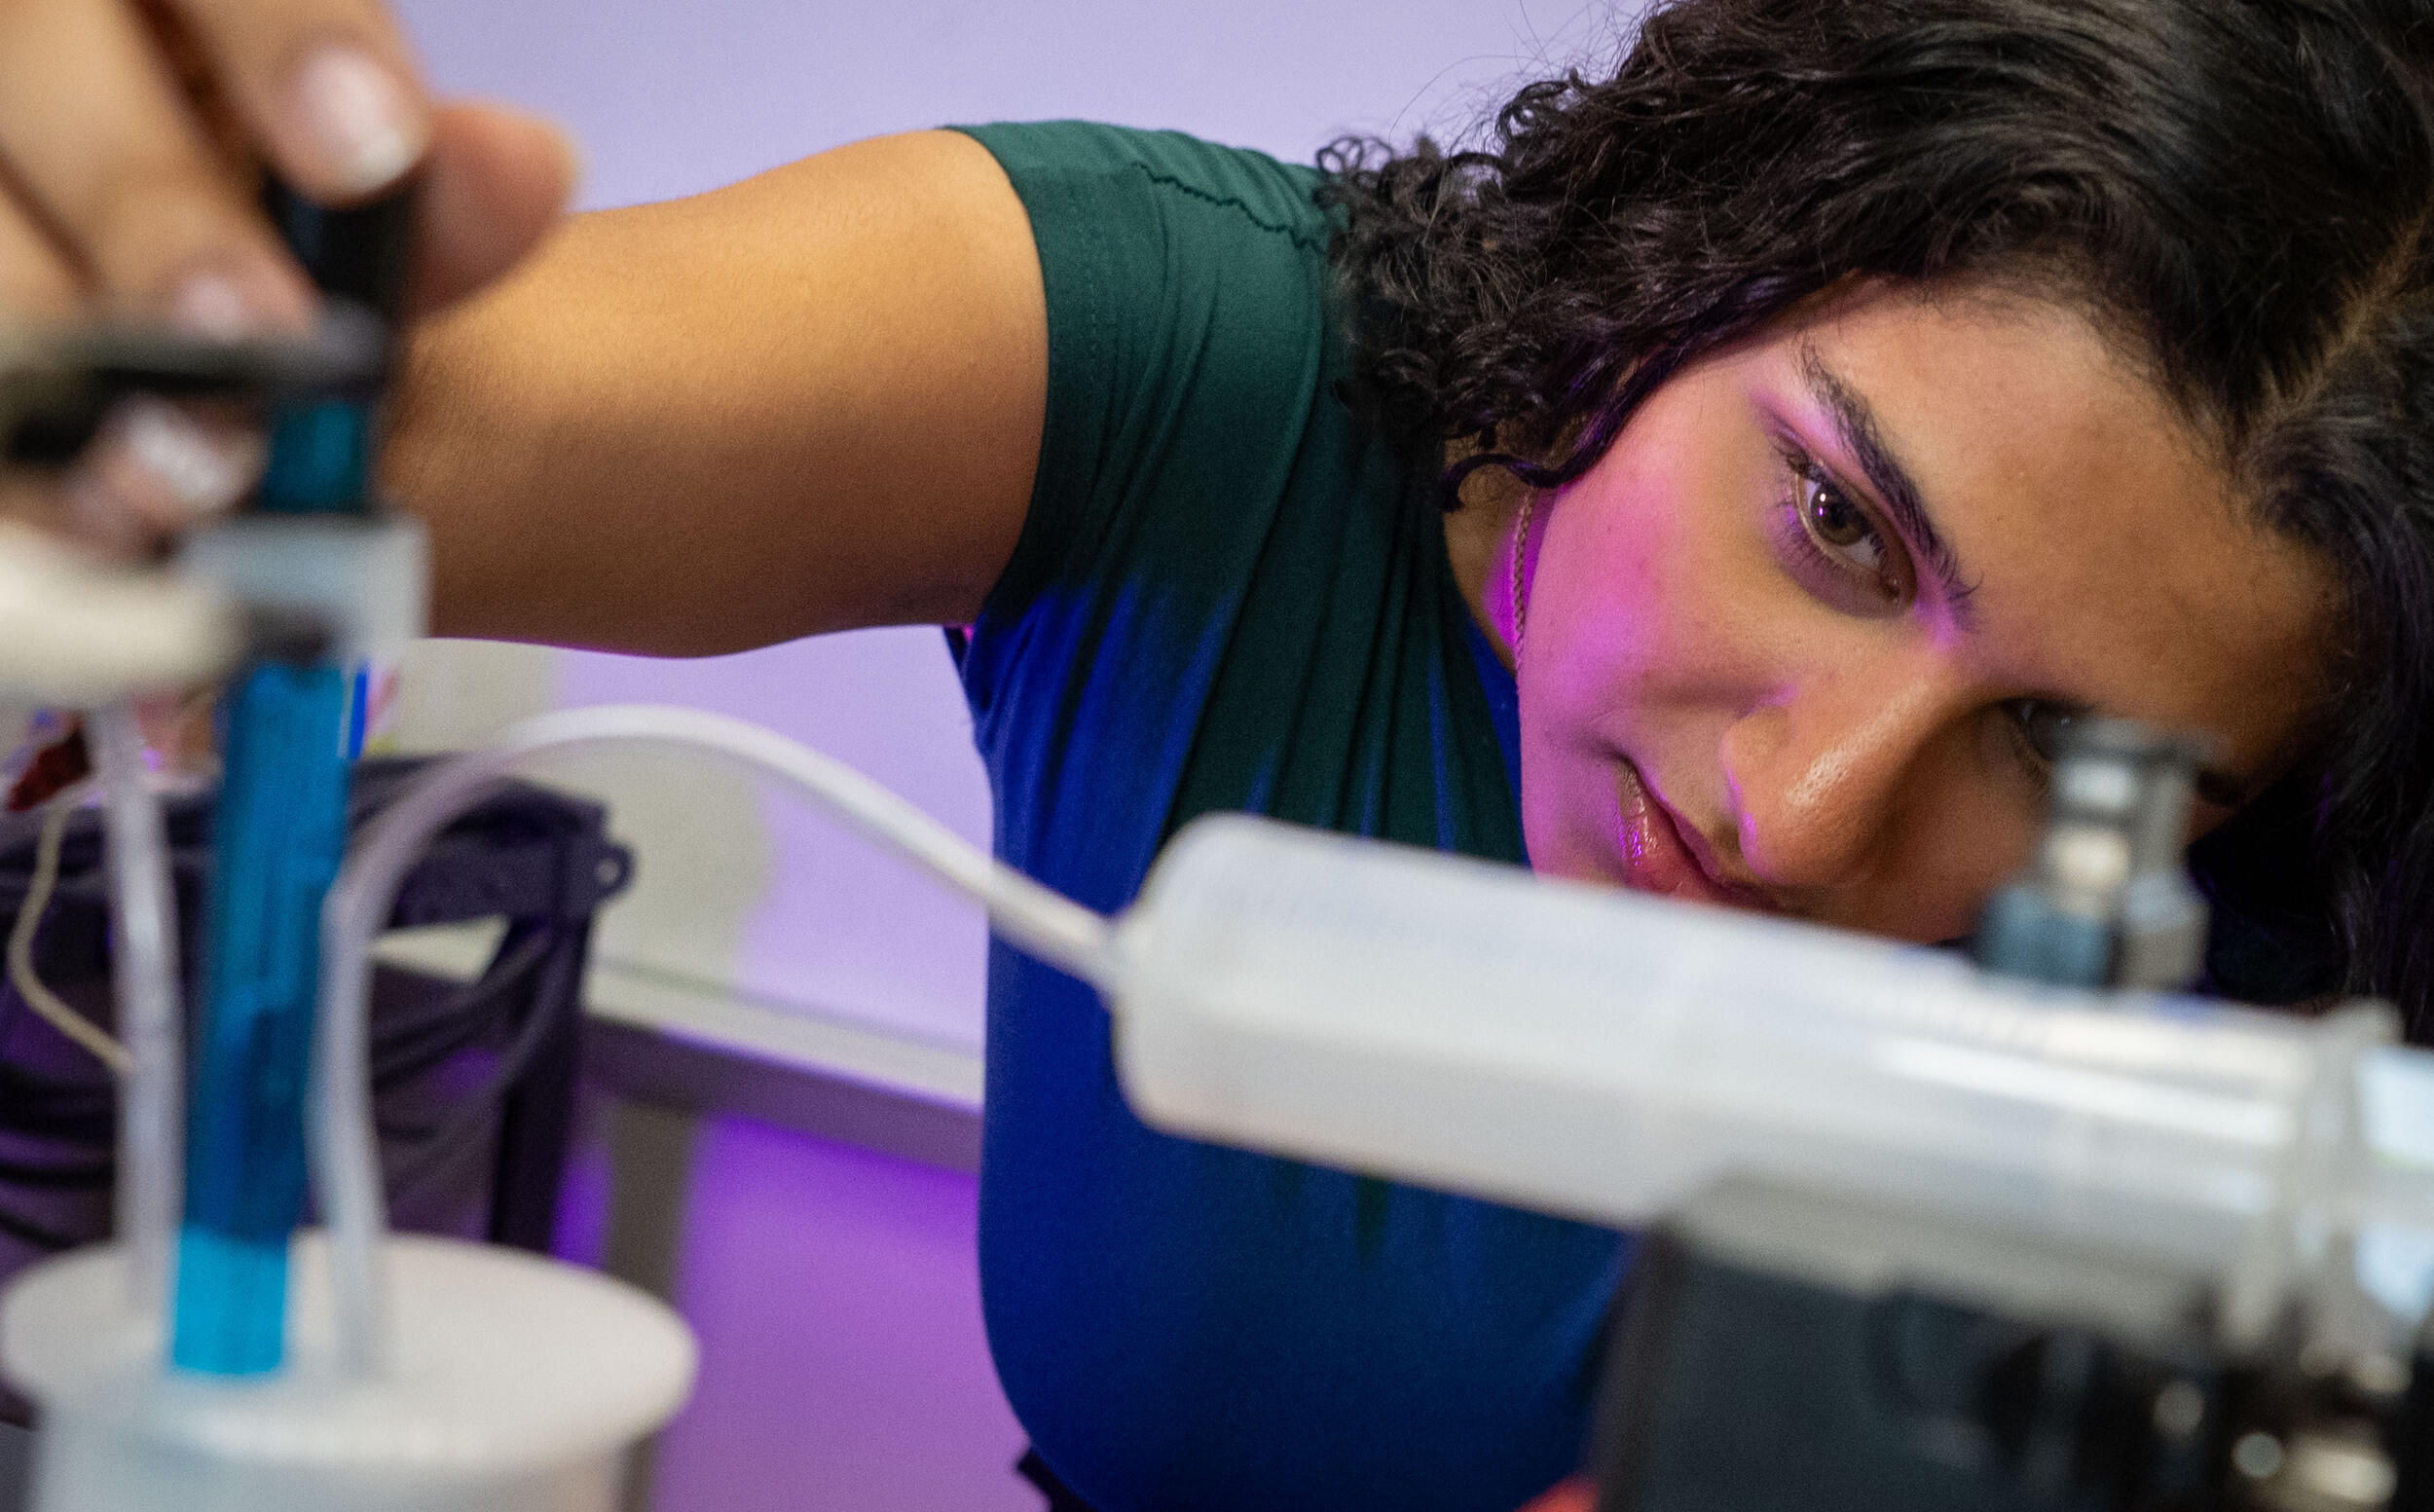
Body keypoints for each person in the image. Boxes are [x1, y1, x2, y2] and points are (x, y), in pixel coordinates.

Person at [3, 0, 2430, 1506]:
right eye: (1827, 520)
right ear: (1706, 247)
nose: (1800, 819)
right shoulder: (1205, 375)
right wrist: (132, 298)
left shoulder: (2312, 994)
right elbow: (376, 433)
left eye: (2065, 757)